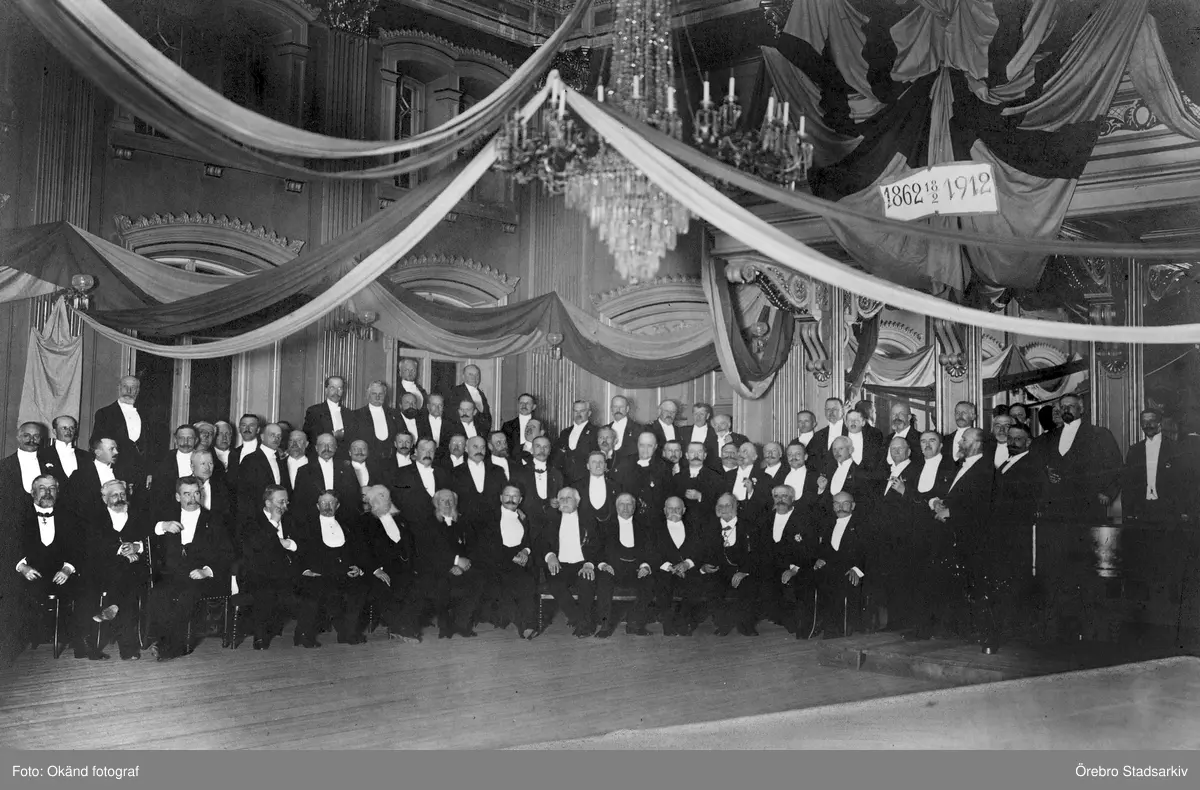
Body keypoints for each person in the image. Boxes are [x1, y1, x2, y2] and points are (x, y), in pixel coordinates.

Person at [147, 476, 233, 660]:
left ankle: (172, 646)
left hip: (201, 575)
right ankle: (164, 640)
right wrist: (163, 526)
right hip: (174, 574)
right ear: (178, 497)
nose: (192, 498)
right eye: (187, 494)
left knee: (186, 596)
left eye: (196, 493)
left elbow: (227, 553)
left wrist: (207, 571)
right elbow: (147, 531)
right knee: (158, 593)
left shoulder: (215, 519)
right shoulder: (168, 517)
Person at [15, 475, 93, 659]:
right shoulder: (18, 515)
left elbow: (80, 547)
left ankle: (78, 640)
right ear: (33, 492)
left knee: (85, 588)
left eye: (52, 488)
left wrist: (68, 568)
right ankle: (18, 643)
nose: (47, 492)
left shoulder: (70, 515)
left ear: (58, 492)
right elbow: (7, 545)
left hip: (61, 573)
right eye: (42, 488)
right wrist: (22, 567)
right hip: (29, 573)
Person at [293, 490, 369, 647]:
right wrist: (306, 570)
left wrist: (358, 568)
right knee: (316, 591)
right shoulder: (307, 526)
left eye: (331, 502)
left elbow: (358, 551)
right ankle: (305, 635)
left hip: (344, 573)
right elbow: (299, 553)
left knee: (359, 589)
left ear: (337, 505)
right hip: (318, 574)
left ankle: (347, 633)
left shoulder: (347, 526)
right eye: (323, 502)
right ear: (317, 506)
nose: (327, 506)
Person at [85, 480, 150, 660]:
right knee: (125, 583)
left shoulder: (139, 515)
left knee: (127, 576)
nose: (120, 498)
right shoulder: (95, 518)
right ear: (104, 498)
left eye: (122, 494)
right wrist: (121, 550)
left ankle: (112, 606)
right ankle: (128, 649)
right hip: (104, 570)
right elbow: (92, 546)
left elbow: (151, 540)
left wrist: (137, 547)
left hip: (136, 569)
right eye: (114, 495)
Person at [473, 484, 538, 640]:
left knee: (528, 582)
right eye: (507, 495)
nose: (511, 499)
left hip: (517, 562)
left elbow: (527, 540)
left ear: (520, 500)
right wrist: (511, 557)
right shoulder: (490, 517)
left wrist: (525, 551)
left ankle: (529, 623)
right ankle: (524, 626)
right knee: (504, 587)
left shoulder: (523, 517)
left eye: (515, 496)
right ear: (501, 497)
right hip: (494, 563)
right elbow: (488, 545)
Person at [239, 485, 299, 650]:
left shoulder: (290, 518)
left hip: (286, 569)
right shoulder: (252, 521)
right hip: (260, 571)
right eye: (281, 502)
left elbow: (300, 542)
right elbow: (257, 545)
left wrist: (287, 543)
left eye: (286, 502)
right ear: (268, 503)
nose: (285, 506)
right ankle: (260, 637)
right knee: (265, 591)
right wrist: (273, 521)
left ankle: (302, 634)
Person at [538, 487, 603, 638]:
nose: (565, 501)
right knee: (555, 583)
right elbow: (541, 543)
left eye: (569, 498)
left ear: (577, 502)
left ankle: (582, 624)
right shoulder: (551, 521)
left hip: (582, 564)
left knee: (587, 581)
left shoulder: (589, 520)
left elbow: (598, 545)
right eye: (562, 498)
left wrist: (589, 564)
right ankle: (582, 620)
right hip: (559, 564)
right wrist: (550, 556)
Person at [595, 493, 656, 637]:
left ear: (634, 507)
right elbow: (597, 550)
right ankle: (604, 626)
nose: (625, 507)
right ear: (616, 507)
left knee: (650, 582)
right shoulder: (605, 526)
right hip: (612, 570)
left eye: (629, 504)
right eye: (622, 504)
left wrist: (645, 566)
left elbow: (650, 551)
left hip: (635, 571)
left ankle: (635, 624)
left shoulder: (644, 527)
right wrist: (603, 565)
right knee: (604, 580)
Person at [653, 497, 715, 636]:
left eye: (678, 508)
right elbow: (652, 552)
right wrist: (669, 567)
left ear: (684, 510)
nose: (674, 511)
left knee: (694, 585)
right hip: (665, 570)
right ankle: (668, 624)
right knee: (663, 586)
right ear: (664, 510)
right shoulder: (655, 529)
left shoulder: (695, 527)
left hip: (689, 569)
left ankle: (684, 622)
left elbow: (701, 551)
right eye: (670, 508)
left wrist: (687, 563)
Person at [708, 493, 762, 637]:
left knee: (749, 586)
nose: (724, 509)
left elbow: (757, 553)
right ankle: (722, 624)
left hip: (743, 570)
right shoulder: (709, 527)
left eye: (728, 505)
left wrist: (745, 571)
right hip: (718, 571)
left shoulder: (749, 526)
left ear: (736, 506)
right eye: (721, 506)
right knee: (712, 586)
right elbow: (702, 551)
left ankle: (746, 625)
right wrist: (704, 566)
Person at [89, 376, 149, 492]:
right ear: (119, 388)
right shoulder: (104, 413)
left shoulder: (147, 415)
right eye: (125, 386)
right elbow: (96, 443)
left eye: (133, 387)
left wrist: (150, 471)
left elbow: (151, 446)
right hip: (115, 472)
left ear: (138, 390)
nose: (128, 390)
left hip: (141, 475)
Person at [351, 380, 399, 461]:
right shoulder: (357, 415)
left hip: (391, 461)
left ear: (385, 395)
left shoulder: (395, 414)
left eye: (381, 394)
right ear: (368, 395)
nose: (377, 397)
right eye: (374, 394)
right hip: (367, 461)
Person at [302, 376, 349, 448]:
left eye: (340, 388)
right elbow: (309, 436)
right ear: (326, 390)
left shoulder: (348, 413)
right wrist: (335, 435)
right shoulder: (314, 411)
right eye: (332, 388)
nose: (336, 392)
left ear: (343, 391)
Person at [448, 365, 492, 436]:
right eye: (470, 374)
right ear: (463, 377)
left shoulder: (481, 394)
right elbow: (453, 417)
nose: (474, 377)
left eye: (477, 375)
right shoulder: (455, 392)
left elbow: (486, 416)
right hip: (462, 435)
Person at [606, 395, 641, 462]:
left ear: (627, 409)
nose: (618, 410)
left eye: (621, 407)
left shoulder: (638, 429)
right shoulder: (604, 429)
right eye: (615, 407)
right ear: (611, 409)